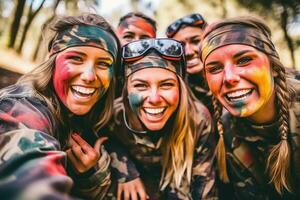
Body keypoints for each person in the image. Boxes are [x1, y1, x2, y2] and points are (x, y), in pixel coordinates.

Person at [0, 14, 120, 200]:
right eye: (76, 59)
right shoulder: (21, 108)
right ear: (53, 61)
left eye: (103, 64)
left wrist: (88, 176)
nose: (89, 76)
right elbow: (31, 187)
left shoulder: (85, 116)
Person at [200, 16, 300, 200]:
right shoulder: (227, 128)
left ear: (275, 67)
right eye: (215, 68)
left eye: (244, 60)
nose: (229, 77)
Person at [105, 38, 218, 199]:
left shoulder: (198, 119)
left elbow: (204, 187)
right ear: (126, 89)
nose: (154, 98)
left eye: (166, 85)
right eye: (140, 86)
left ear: (180, 87)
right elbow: (105, 142)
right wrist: (124, 169)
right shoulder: (113, 116)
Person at [166, 13, 213, 113]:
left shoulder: (230, 79)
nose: (188, 52)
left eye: (195, 41)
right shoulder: (174, 92)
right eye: (180, 46)